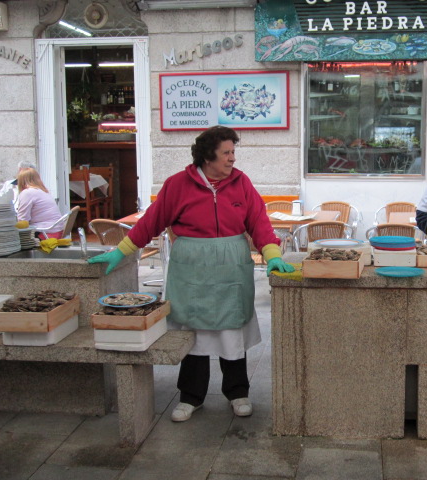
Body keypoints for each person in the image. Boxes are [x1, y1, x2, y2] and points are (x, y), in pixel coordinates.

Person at [88, 125, 295, 422]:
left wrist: (272, 254)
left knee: (231, 331)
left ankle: (238, 392)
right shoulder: (177, 185)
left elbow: (259, 223)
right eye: (227, 153)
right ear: (208, 156)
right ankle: (191, 396)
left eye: (233, 152)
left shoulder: (241, 184)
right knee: (192, 332)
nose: (232, 159)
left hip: (230, 271)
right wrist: (120, 251)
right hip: (191, 271)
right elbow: (151, 222)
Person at [15, 168, 64, 238]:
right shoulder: (43, 191)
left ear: (21, 181)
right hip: (57, 230)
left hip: (45, 233)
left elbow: (23, 221)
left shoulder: (27, 193)